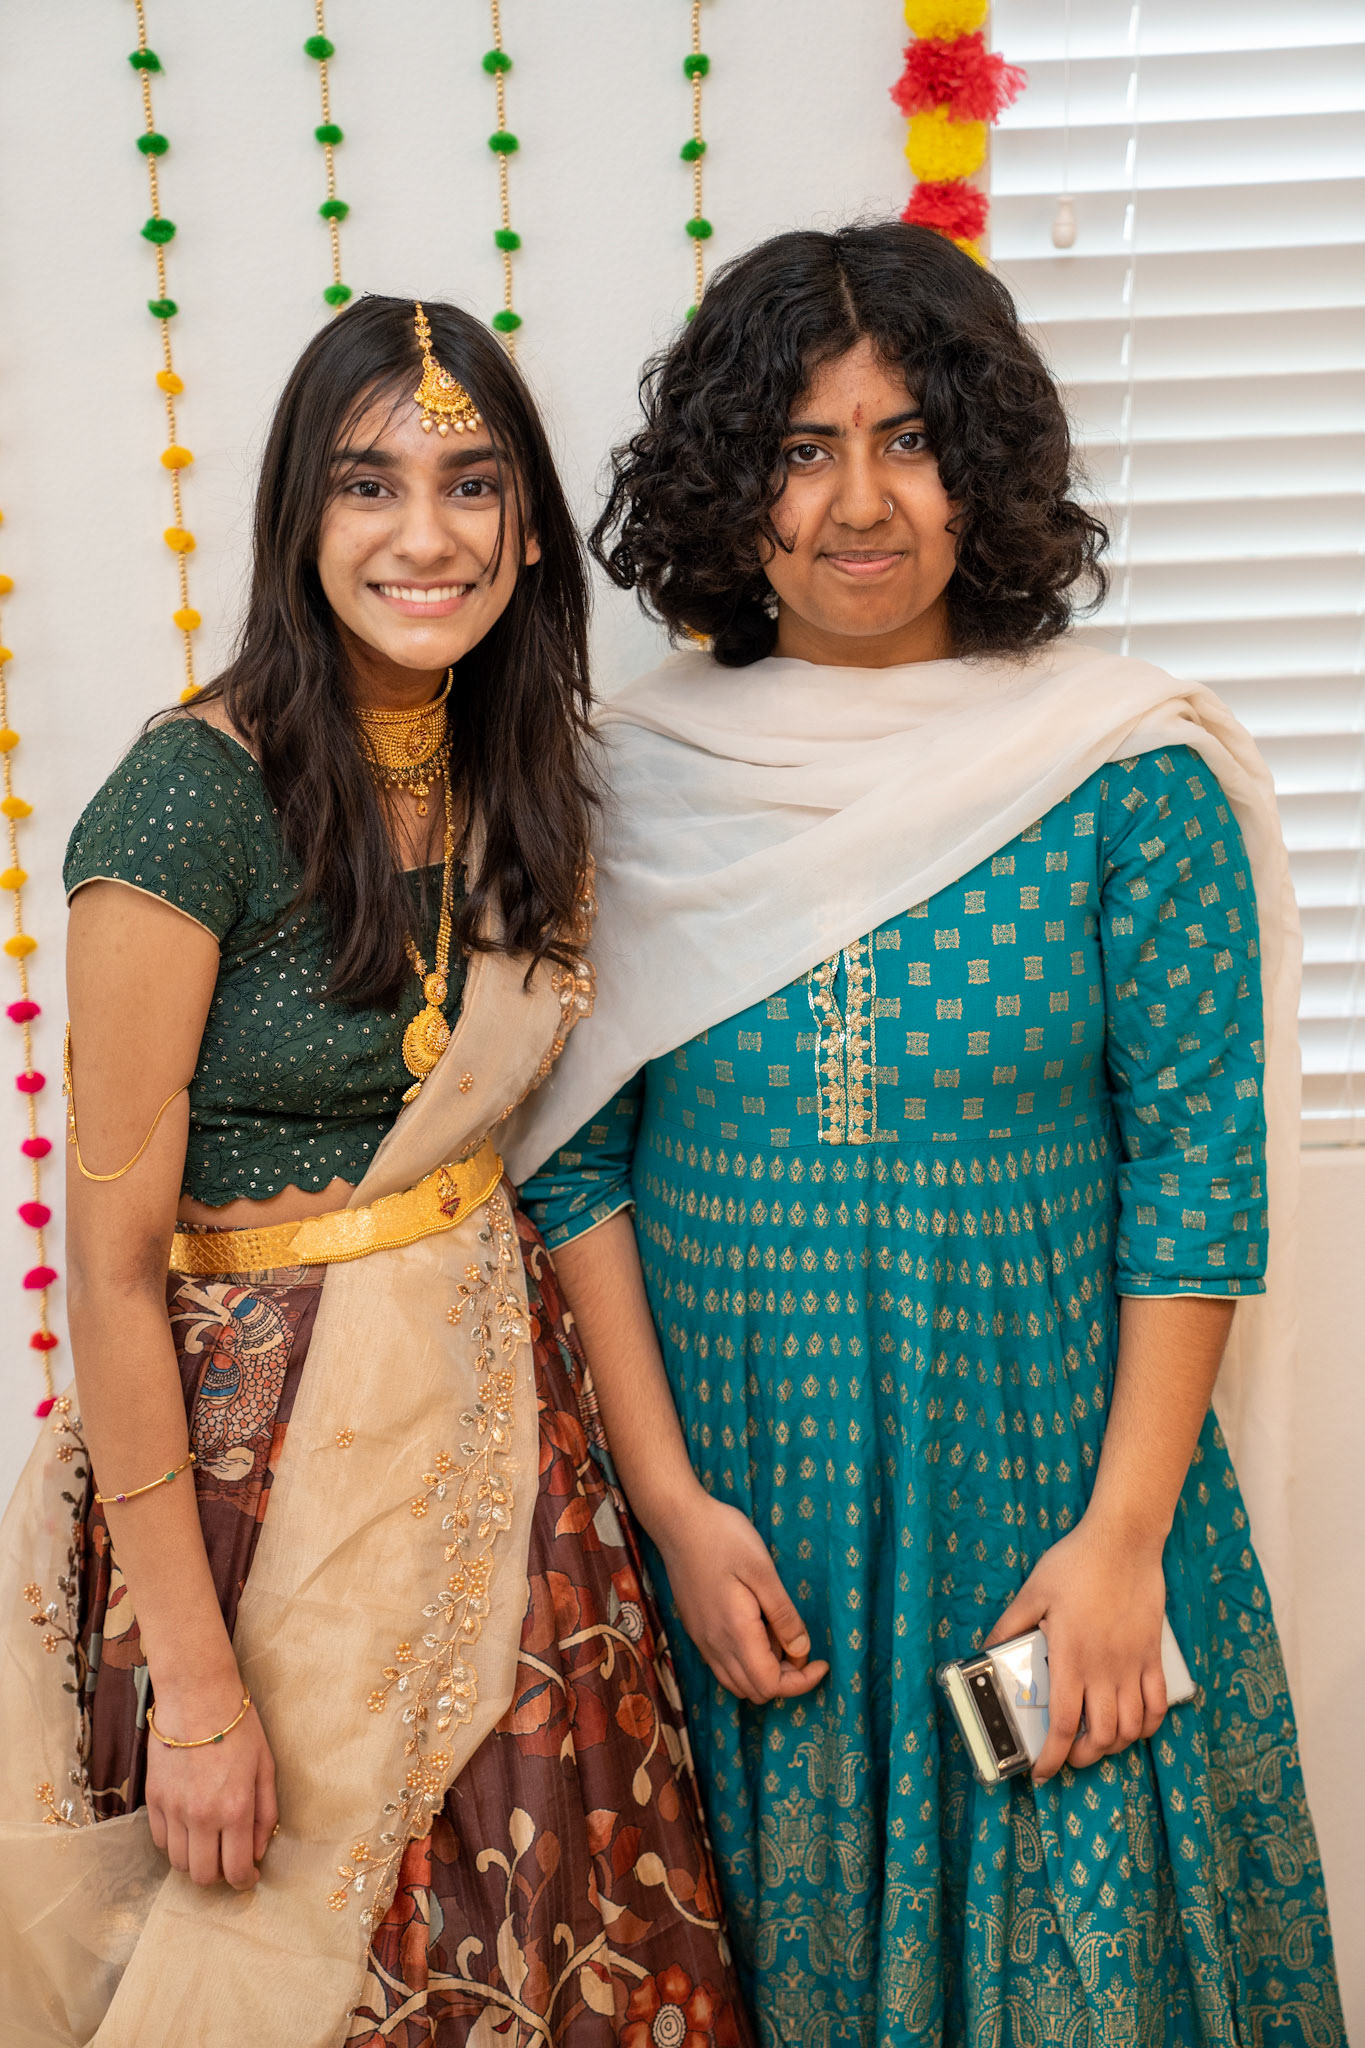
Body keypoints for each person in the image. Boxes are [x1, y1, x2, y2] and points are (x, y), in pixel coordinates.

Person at [506, 226, 1347, 2045]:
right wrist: (670, 1509)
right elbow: (569, 1162)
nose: (858, 504)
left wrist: (1120, 1543)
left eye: (908, 440)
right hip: (744, 1517)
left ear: (984, 464)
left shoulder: (1123, 768)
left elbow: (1197, 1177)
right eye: (801, 450)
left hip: (1050, 1501)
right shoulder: (624, 784)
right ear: (728, 485)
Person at [0, 298, 750, 2048]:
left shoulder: (526, 776)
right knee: (295, 1948)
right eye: (369, 485)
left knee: (540, 1908)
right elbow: (108, 1269)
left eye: (471, 484)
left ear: (528, 527)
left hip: (503, 1445)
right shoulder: (185, 803)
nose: (427, 535)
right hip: (249, 1493)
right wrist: (197, 1689)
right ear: (298, 517)